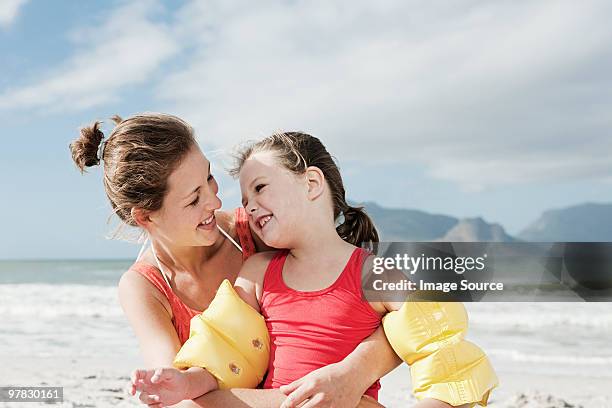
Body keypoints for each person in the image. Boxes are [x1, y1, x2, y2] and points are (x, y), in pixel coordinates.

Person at [130, 132, 496, 408]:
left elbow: (441, 349)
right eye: (245, 201)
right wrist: (186, 383)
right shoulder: (257, 273)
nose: (250, 207)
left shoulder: (375, 273)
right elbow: (224, 347)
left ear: (311, 183)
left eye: (260, 189)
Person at [69, 114, 403, 408]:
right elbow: (183, 401)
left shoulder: (261, 228)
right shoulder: (145, 288)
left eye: (210, 178)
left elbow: (409, 309)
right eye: (193, 199)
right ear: (146, 218)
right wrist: (311, 399)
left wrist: (352, 374)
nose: (215, 201)